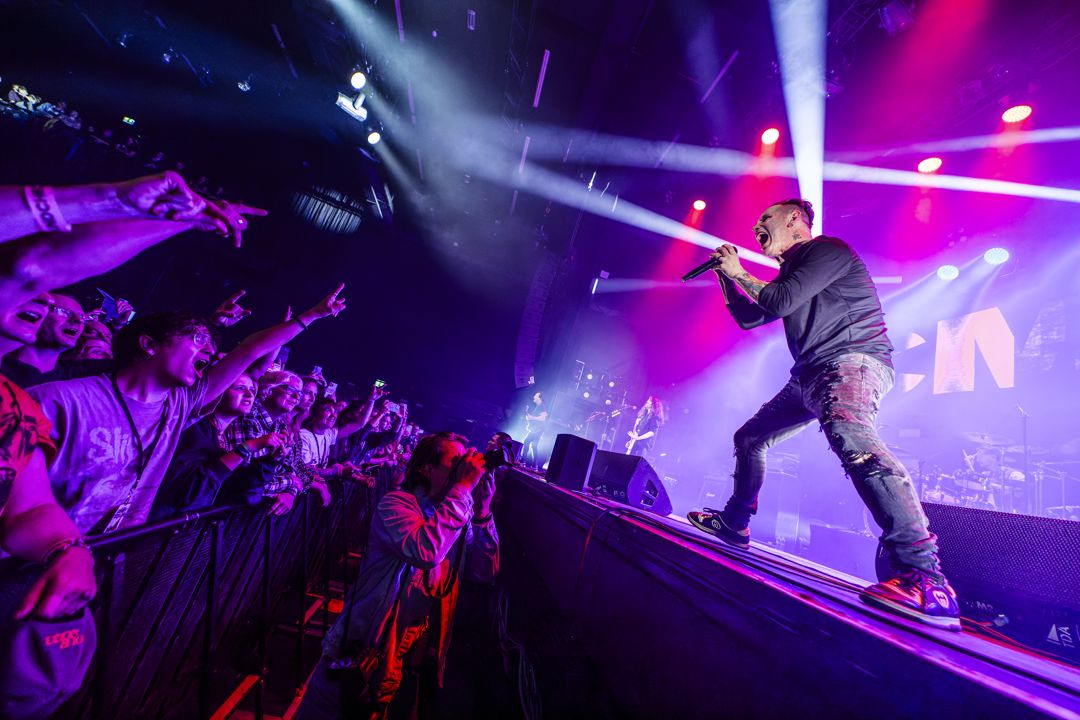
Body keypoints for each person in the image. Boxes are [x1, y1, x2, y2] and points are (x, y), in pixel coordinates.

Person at [685, 199, 960, 631]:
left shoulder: (827, 250)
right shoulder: (791, 271)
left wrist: (739, 270)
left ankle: (926, 579)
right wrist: (725, 278)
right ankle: (735, 524)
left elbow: (776, 302)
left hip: (852, 361)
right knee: (749, 439)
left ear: (794, 220)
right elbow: (750, 318)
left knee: (854, 440)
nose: (756, 225)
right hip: (811, 374)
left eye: (765, 219)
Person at [29, 283, 349, 533]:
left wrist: (312, 316)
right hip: (34, 562)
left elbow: (250, 351)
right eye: (197, 339)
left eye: (210, 346)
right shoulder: (58, 400)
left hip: (113, 552)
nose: (209, 351)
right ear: (148, 343)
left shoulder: (180, 404)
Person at [296, 432, 498, 720]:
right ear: (426, 469)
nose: (464, 470)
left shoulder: (457, 513)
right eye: (456, 462)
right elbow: (426, 552)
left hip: (406, 659)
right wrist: (462, 489)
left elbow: (485, 570)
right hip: (361, 653)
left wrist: (482, 511)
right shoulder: (397, 505)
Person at [150, 373, 289, 520]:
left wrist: (272, 459)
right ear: (219, 392)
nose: (249, 394)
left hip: (186, 533)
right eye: (240, 388)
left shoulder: (226, 436)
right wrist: (248, 447)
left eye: (252, 390)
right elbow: (190, 490)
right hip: (158, 526)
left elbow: (245, 492)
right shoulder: (197, 431)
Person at [522, 391, 547, 467]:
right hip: (537, 430)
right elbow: (533, 419)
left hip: (537, 430)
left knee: (526, 441)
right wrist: (527, 413)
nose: (534, 396)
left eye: (536, 395)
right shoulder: (538, 407)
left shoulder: (542, 406)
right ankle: (535, 465)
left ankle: (523, 461)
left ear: (540, 398)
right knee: (534, 446)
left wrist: (532, 417)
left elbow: (543, 418)